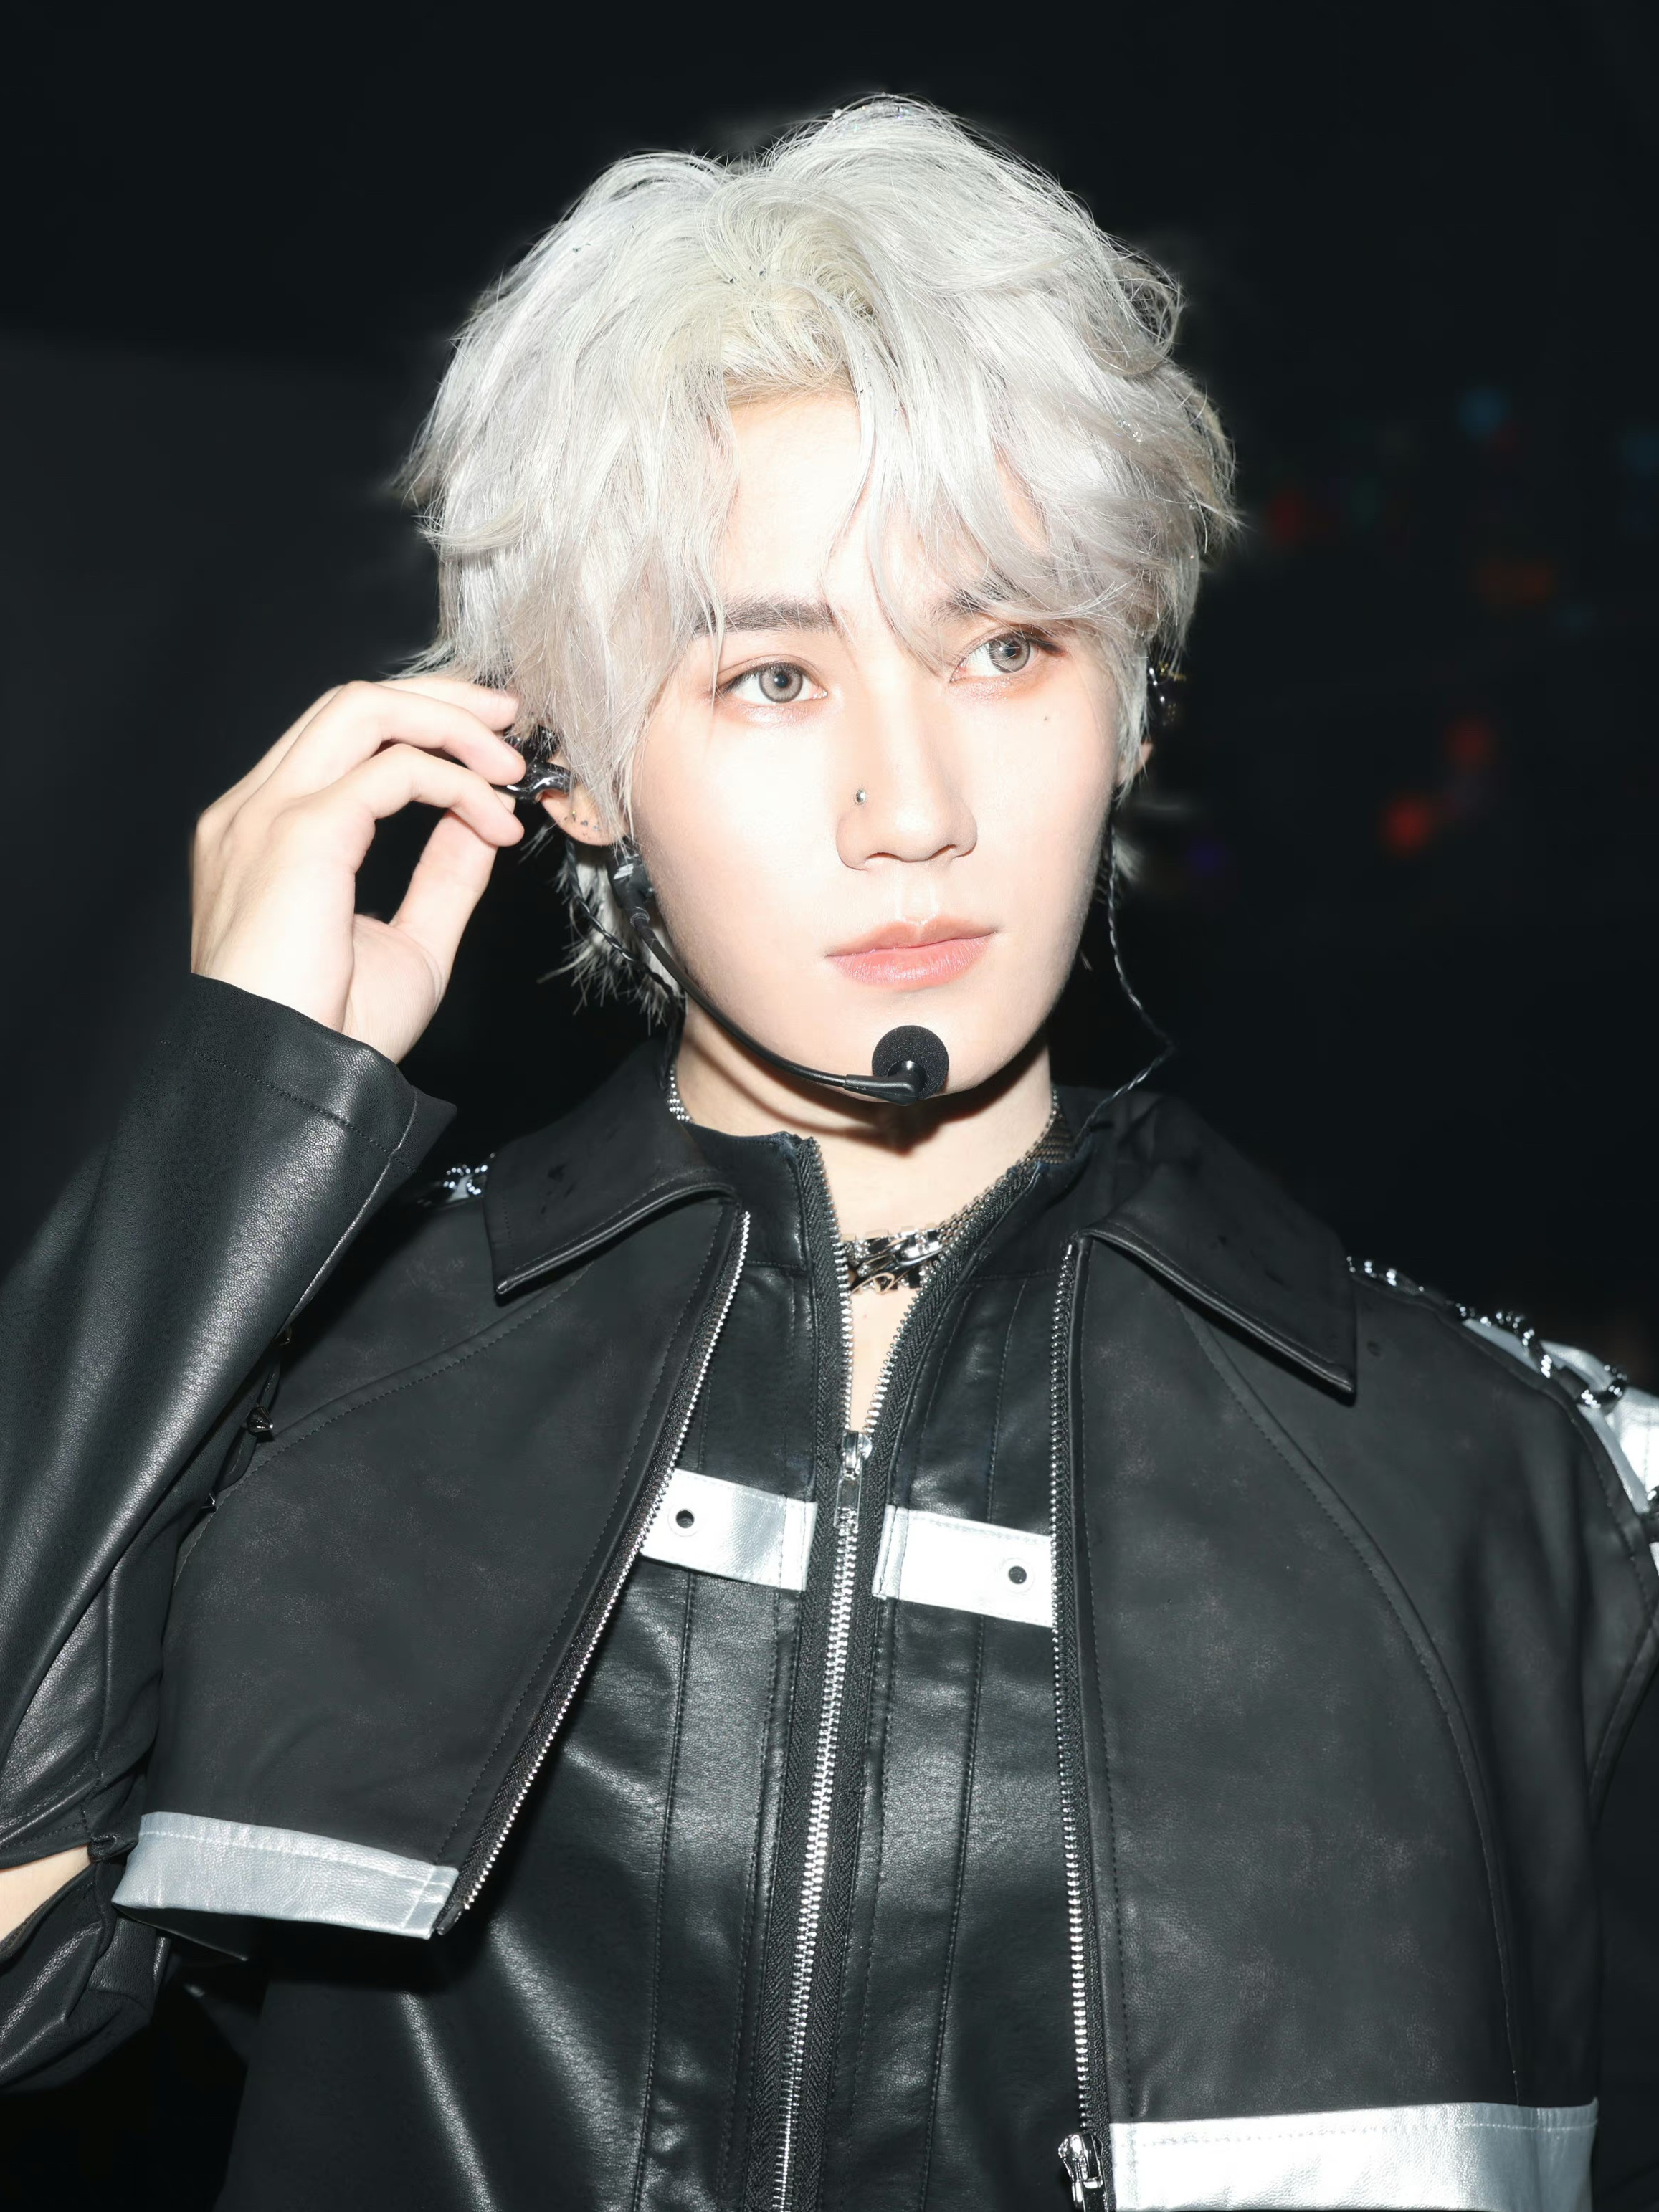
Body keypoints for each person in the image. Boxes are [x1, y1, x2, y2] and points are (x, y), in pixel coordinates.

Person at [1, 97, 1655, 2212]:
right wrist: (232, 1126)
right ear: (573, 770)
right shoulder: (318, 1399)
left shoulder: (1514, 1494)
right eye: (772, 674)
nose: (912, 805)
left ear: (1135, 709)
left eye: (1003, 647)